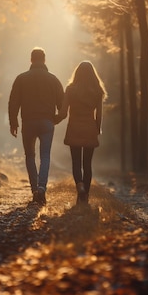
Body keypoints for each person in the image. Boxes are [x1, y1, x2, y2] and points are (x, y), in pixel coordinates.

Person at [8, 47, 64, 206]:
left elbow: (13, 102)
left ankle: (34, 190)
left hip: (28, 122)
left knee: (30, 156)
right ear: (44, 60)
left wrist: (13, 122)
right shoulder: (53, 79)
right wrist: (56, 119)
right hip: (47, 122)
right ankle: (42, 188)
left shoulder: (21, 78)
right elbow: (63, 105)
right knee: (45, 156)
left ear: (31, 60)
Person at [57, 61, 107, 205]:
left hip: (74, 128)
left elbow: (63, 112)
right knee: (87, 163)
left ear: (77, 73)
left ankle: (80, 185)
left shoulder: (71, 89)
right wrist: (97, 129)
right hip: (89, 129)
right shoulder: (97, 91)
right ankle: (85, 196)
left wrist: (54, 119)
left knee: (76, 161)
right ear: (93, 75)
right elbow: (99, 115)